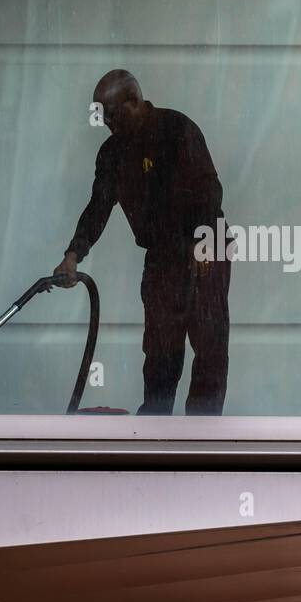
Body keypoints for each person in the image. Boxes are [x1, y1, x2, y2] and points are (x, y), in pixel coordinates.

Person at [55, 70, 231, 415]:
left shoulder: (176, 129)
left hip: (205, 248)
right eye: (103, 116)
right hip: (163, 256)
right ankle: (156, 433)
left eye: (113, 113)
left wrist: (201, 240)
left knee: (209, 347)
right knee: (160, 350)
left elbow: (209, 189)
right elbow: (98, 207)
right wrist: (74, 253)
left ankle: (205, 436)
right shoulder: (112, 154)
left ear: (134, 101)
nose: (108, 123)